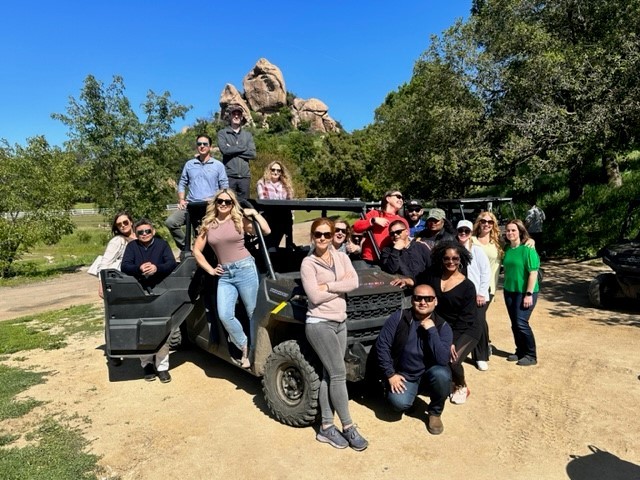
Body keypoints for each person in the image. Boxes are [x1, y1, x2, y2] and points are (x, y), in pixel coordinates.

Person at [300, 218, 368, 451]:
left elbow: (355, 281)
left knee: (329, 375)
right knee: (339, 373)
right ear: (312, 236)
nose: (322, 238)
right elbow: (314, 298)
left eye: (327, 235)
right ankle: (348, 426)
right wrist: (340, 286)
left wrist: (328, 287)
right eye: (318, 234)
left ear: (333, 236)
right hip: (320, 323)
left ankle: (326, 427)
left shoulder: (341, 257)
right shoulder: (308, 263)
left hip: (340, 321)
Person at [192, 189, 270, 369]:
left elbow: (266, 231)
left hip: (245, 269)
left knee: (252, 313)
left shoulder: (239, 221)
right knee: (225, 315)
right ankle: (244, 345)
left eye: (228, 202)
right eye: (220, 201)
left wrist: (255, 214)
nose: (224, 205)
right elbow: (197, 250)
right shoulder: (208, 225)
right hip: (225, 274)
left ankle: (252, 352)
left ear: (233, 204)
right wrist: (210, 270)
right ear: (216, 203)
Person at [375, 284, 453, 435]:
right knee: (398, 404)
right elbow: (382, 346)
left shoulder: (442, 326)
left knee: (442, 375)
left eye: (428, 299)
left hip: (429, 375)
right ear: (412, 300)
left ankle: (435, 412)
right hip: (404, 375)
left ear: (435, 301)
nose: (423, 302)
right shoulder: (399, 318)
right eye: (418, 298)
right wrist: (390, 374)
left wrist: (432, 331)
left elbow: (443, 359)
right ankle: (409, 397)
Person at [121, 218, 178, 383]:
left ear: (152, 231)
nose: (144, 234)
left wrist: (156, 268)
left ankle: (162, 368)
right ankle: (146, 365)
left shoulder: (162, 245)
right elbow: (125, 266)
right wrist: (139, 269)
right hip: (139, 292)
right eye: (140, 232)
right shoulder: (132, 247)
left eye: (147, 231)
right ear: (136, 234)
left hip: (160, 291)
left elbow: (171, 264)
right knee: (142, 330)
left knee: (162, 329)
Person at [428, 241, 480, 405]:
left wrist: (451, 340)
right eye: (447, 258)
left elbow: (467, 318)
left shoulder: (467, 286)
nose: (451, 262)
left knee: (452, 358)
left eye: (455, 259)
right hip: (445, 326)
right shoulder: (434, 278)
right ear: (441, 259)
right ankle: (446, 381)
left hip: (467, 328)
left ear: (461, 259)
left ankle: (461, 385)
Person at [165, 134, 229, 250]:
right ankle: (187, 248)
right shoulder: (189, 164)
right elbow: (182, 182)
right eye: (199, 144)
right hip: (190, 204)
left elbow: (224, 186)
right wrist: (181, 199)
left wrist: (216, 200)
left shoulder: (218, 165)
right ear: (197, 147)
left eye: (205, 144)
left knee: (205, 234)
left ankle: (204, 254)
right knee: (171, 222)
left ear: (210, 147)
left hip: (210, 206)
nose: (202, 146)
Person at [97, 211, 136, 367]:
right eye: (119, 224)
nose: (123, 226)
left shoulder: (140, 235)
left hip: (133, 282)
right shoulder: (118, 241)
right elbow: (104, 264)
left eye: (125, 222)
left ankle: (130, 347)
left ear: (131, 221)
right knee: (114, 317)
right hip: (117, 283)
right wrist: (101, 284)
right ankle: (113, 351)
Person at [503, 219, 541, 366]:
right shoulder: (507, 249)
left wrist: (529, 294)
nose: (510, 233)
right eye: (508, 230)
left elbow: (533, 273)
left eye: (513, 230)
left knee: (521, 323)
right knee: (514, 324)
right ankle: (520, 350)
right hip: (509, 291)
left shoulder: (528, 249)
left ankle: (531, 355)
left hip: (525, 292)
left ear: (520, 231)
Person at [456, 220, 491, 371]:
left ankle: (481, 356)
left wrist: (481, 293)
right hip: (461, 293)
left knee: (479, 323)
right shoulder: (453, 249)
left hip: (477, 293)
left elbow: (486, 272)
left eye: (466, 231)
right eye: (460, 230)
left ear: (471, 233)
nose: (463, 233)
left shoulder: (477, 250)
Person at [352, 190, 408, 264]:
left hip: (389, 260)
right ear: (388, 198)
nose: (401, 200)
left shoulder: (402, 221)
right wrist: (373, 221)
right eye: (398, 197)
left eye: (402, 198)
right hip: (370, 259)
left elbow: (405, 241)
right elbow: (356, 227)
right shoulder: (374, 214)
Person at [217, 105, 256, 200]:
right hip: (229, 176)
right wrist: (243, 148)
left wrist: (232, 149)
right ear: (230, 116)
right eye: (234, 114)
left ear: (242, 117)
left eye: (239, 114)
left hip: (245, 177)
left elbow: (252, 154)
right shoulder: (223, 133)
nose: (236, 116)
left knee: (244, 206)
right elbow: (224, 150)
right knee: (228, 204)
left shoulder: (247, 135)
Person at [380, 219, 431, 288]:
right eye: (392, 233)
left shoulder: (420, 246)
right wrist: (395, 250)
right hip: (403, 289)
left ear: (407, 232)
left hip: (423, 286)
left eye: (398, 232)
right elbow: (390, 270)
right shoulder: (387, 251)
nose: (395, 235)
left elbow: (432, 268)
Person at [256, 161, 294, 249]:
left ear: (281, 172)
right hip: (269, 216)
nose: (276, 172)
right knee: (267, 245)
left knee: (277, 243)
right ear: (269, 170)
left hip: (283, 217)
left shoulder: (286, 185)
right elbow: (263, 200)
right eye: (273, 170)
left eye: (278, 170)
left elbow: (290, 201)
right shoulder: (262, 183)